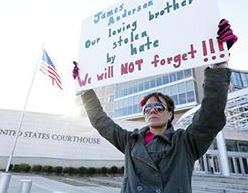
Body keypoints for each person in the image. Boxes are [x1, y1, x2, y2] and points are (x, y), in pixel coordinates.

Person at [72, 19, 237, 193]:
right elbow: (100, 120)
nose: (152, 110)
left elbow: (210, 114)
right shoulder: (130, 141)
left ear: (170, 114)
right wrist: (85, 89)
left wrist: (219, 65)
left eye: (159, 107)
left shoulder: (185, 142)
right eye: (147, 108)